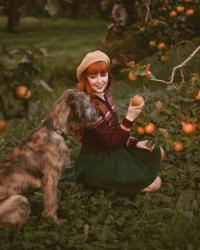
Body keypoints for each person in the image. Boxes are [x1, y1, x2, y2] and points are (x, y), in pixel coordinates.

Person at [72, 50, 165, 195]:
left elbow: (114, 132)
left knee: (159, 152)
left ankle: (133, 175)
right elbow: (113, 142)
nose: (99, 81)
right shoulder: (88, 108)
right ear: (86, 79)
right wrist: (130, 117)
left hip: (112, 149)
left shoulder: (104, 95)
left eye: (103, 75)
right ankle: (97, 182)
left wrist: (135, 143)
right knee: (156, 183)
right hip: (97, 160)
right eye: (93, 76)